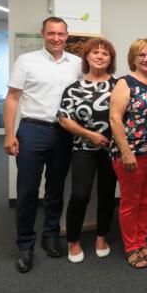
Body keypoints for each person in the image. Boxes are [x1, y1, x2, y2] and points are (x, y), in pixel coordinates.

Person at [4, 16, 82, 273]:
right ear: (43, 34)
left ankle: (50, 235)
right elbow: (13, 98)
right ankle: (25, 244)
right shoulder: (27, 61)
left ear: (67, 35)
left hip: (62, 132)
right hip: (32, 129)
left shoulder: (77, 63)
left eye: (61, 34)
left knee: (56, 189)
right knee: (27, 191)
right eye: (51, 33)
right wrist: (9, 134)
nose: (56, 38)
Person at [109, 38, 147, 269]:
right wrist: (126, 152)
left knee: (146, 200)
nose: (146, 59)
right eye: (141, 55)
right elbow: (115, 119)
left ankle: (142, 241)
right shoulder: (125, 83)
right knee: (130, 201)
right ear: (133, 59)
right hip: (131, 153)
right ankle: (131, 247)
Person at [57, 38, 118, 264]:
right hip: (83, 148)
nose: (100, 56)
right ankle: (73, 240)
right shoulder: (73, 88)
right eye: (95, 53)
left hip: (112, 150)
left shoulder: (119, 85)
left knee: (107, 194)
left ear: (111, 60)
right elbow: (64, 119)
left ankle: (102, 237)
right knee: (80, 195)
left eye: (105, 53)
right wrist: (90, 135)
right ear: (87, 58)